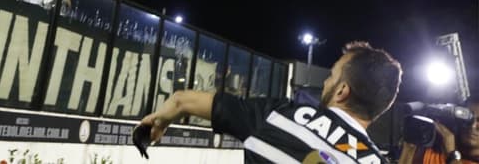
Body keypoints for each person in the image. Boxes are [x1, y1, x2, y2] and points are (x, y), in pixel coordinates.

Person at [139, 40, 402, 163]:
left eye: (331, 76)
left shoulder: (283, 116)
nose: (325, 82)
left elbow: (182, 100)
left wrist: (158, 122)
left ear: (342, 91)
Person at [398, 95, 479, 164]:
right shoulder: (432, 146)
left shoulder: (448, 148)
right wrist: (409, 149)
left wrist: (451, 154)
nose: (473, 125)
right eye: (469, 118)